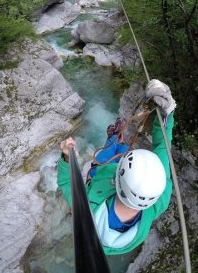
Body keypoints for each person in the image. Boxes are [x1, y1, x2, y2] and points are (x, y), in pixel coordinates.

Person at [57, 79, 176, 255]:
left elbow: (66, 181)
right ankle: (117, 138)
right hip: (116, 177)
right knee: (121, 150)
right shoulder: (159, 197)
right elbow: (163, 147)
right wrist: (167, 113)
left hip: (102, 173)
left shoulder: (87, 211)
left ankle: (114, 136)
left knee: (110, 151)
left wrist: (68, 158)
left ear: (117, 180)